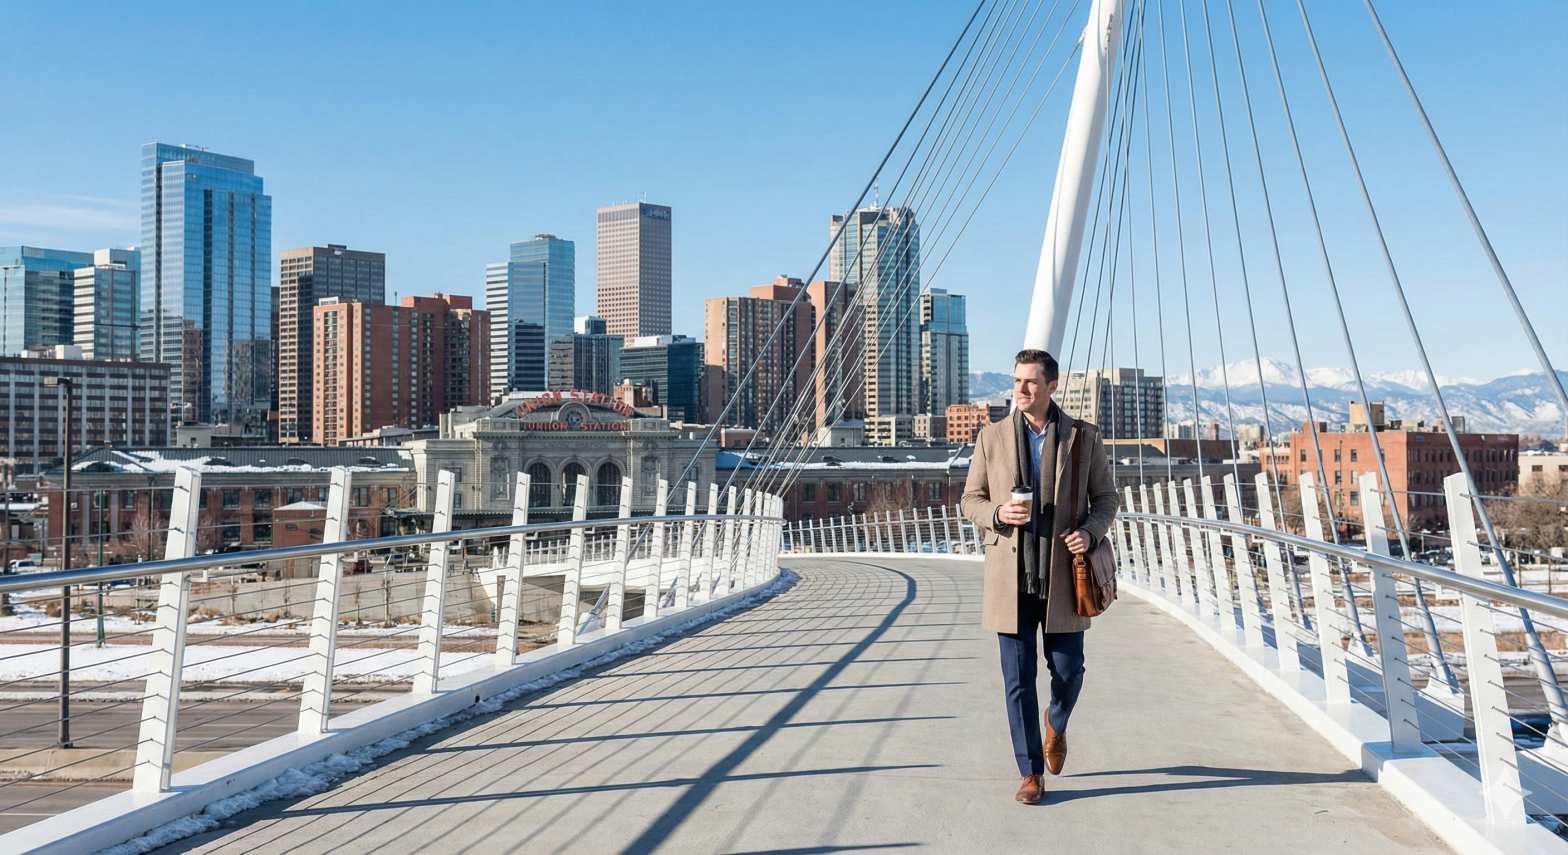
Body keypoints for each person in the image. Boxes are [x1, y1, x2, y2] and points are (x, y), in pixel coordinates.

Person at [961, 349, 1119, 805]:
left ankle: (1057, 721)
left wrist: (1089, 533)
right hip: (1009, 581)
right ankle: (1030, 773)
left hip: (1065, 582)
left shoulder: (1084, 438)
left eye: (1031, 382)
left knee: (1069, 672)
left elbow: (1106, 498)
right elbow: (969, 499)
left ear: (1052, 387)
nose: (1021, 389)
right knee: (1017, 680)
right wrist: (995, 512)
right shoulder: (990, 438)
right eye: (1016, 381)